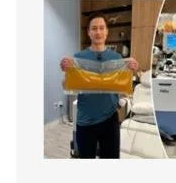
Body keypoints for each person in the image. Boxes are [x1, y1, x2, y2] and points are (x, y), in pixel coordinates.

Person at [60, 16, 140, 160]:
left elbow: (123, 86)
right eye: (94, 28)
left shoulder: (116, 58)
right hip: (85, 120)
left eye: (102, 28)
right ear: (89, 33)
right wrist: (66, 72)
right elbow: (66, 85)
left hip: (110, 119)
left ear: (107, 32)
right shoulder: (78, 58)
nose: (98, 32)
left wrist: (132, 69)